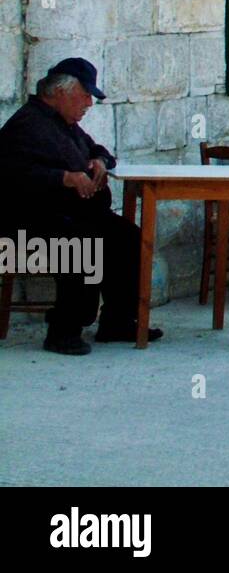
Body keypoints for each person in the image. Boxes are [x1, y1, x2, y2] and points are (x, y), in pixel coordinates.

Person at [0, 59, 163, 355]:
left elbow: (100, 151)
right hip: (29, 220)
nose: (89, 103)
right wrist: (64, 178)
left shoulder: (66, 124)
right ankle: (63, 330)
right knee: (80, 242)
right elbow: (11, 176)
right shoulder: (27, 124)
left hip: (73, 214)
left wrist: (99, 162)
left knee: (128, 236)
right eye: (85, 95)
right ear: (61, 92)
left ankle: (117, 321)